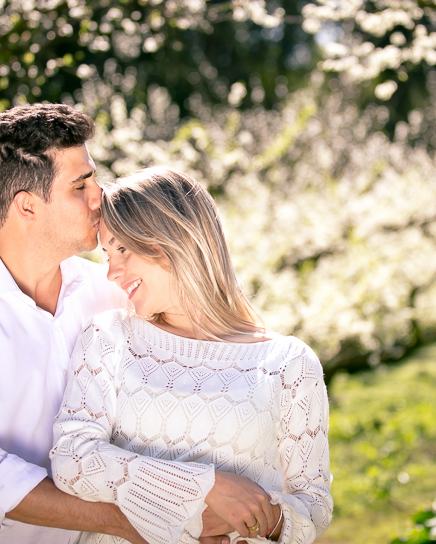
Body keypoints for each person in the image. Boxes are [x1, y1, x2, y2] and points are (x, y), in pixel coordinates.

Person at [0, 105, 269, 544]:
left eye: (95, 178)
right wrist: (137, 522)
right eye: (80, 185)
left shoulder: (116, 292)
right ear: (27, 206)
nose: (99, 196)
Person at [49, 168, 333, 544]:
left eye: (122, 249)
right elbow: (72, 459)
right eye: (106, 254)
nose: (111, 273)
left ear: (172, 238)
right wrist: (205, 488)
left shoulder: (289, 364)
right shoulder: (110, 337)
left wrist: (259, 518)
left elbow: (315, 507)